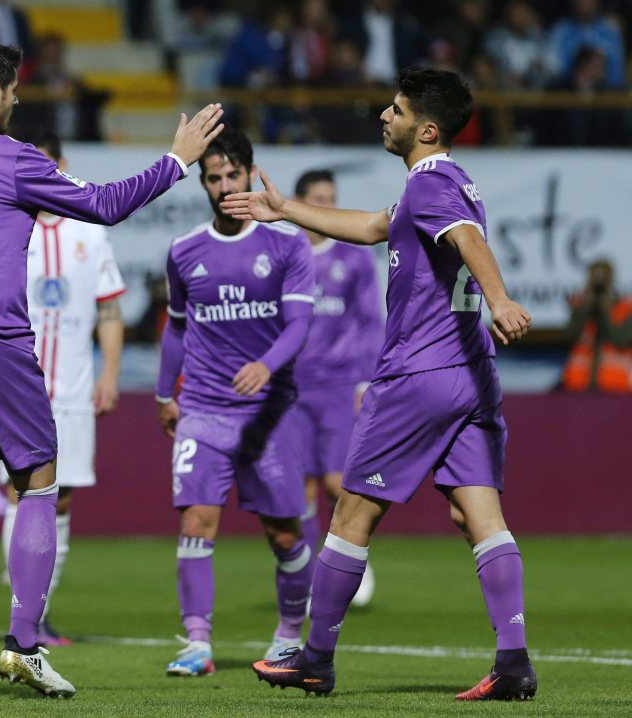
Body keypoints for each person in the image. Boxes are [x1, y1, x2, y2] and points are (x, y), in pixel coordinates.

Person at [0, 39, 223, 701]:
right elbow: (106, 204)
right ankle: (23, 646)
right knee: (38, 483)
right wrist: (177, 160)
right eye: (15, 91)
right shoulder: (11, 158)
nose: (17, 101)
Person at [222, 66, 537, 701]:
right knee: (478, 514)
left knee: (351, 511)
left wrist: (501, 299)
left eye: (393, 110)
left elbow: (466, 239)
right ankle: (513, 662)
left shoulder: (431, 186)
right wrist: (284, 210)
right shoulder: (451, 183)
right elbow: (371, 227)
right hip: (471, 376)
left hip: (418, 372)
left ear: (425, 128)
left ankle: (315, 657)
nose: (383, 118)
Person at [155, 127, 317, 676]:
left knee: (284, 533)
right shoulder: (184, 252)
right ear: (202, 183)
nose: (224, 186)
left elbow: (299, 325)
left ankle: (289, 635)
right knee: (196, 522)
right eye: (213, 177)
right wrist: (164, 393)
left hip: (268, 412)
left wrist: (266, 366)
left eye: (232, 175)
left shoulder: (289, 243)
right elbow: (176, 330)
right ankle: (198, 644)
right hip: (202, 408)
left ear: (251, 173)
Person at [0, 128, 127, 647]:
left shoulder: (89, 233)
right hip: (19, 385)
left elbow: (110, 309)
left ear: (63, 165)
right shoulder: (8, 226)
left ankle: (39, 613)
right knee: (21, 493)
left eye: (51, 164)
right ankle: (21, 612)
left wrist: (110, 374)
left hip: (74, 388)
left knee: (63, 499)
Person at [290, 169, 384, 608]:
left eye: (332, 198)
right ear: (300, 201)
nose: (326, 206)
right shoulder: (284, 254)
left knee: (336, 481)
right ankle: (313, 577)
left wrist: (368, 378)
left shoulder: (354, 257)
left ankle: (352, 561)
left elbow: (370, 323)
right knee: (301, 488)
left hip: (340, 383)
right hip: (291, 386)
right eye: (318, 198)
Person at [561, 258, 632, 393]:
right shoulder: (582, 307)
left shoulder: (625, 308)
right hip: (578, 387)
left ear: (611, 280)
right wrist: (584, 308)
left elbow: (622, 339)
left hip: (616, 387)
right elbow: (569, 336)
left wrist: (606, 311)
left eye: (603, 279)